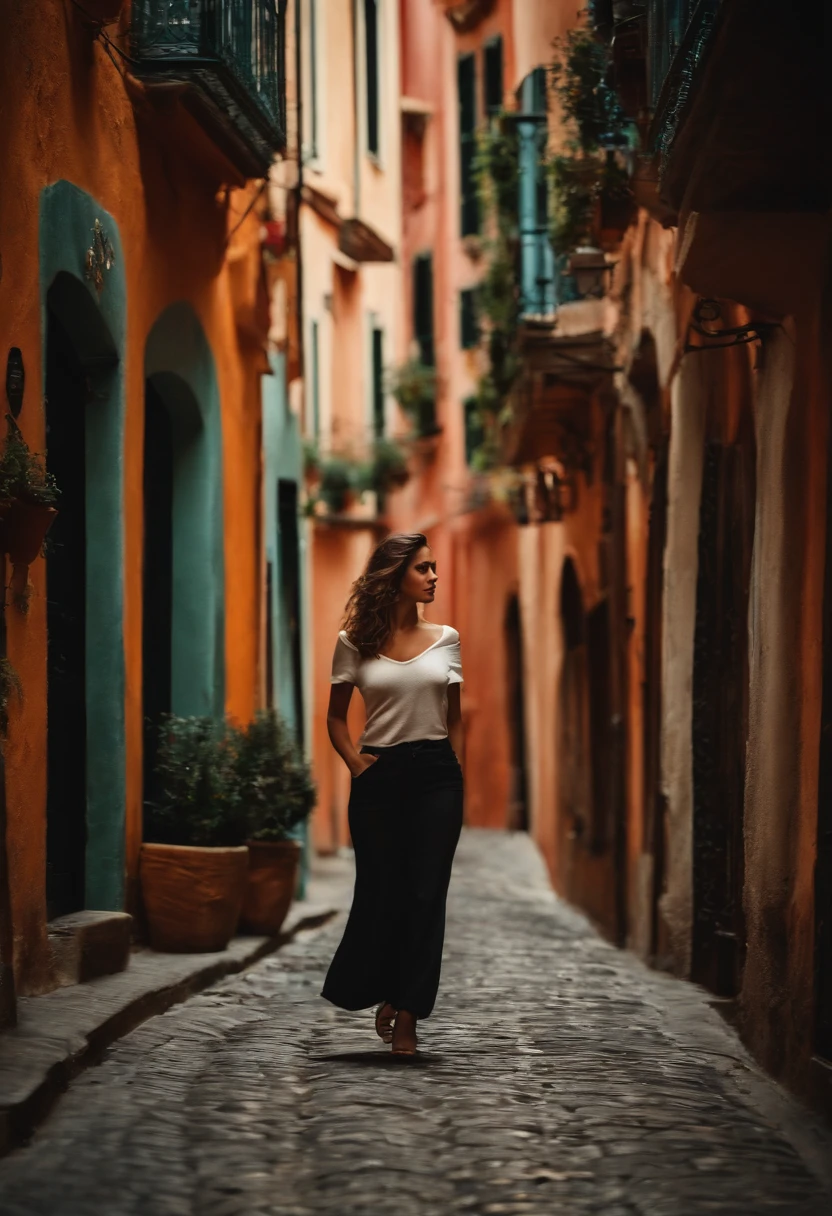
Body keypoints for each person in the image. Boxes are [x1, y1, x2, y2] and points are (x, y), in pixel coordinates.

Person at [321, 532, 464, 1056]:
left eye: (434, 568)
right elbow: (336, 719)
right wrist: (357, 765)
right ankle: (386, 989)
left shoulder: (447, 638)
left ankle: (408, 1018)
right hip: (378, 777)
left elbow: (455, 720)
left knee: (427, 896)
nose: (433, 577)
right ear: (395, 575)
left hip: (436, 776)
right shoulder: (354, 641)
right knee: (383, 895)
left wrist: (457, 777)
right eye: (423, 569)